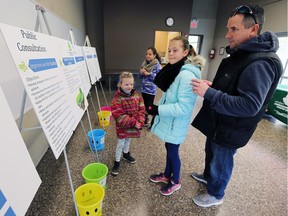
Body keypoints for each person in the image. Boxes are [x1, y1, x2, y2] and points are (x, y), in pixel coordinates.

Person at [191, 3, 283, 207]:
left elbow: (249, 104)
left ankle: (216, 194)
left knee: (221, 160)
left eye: (234, 29)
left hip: (232, 127)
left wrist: (210, 93)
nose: (227, 35)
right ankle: (208, 177)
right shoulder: (244, 53)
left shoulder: (260, 62)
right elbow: (235, 86)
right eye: (228, 28)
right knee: (212, 151)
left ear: (253, 29)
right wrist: (214, 86)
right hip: (220, 120)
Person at [147, 37, 206, 195]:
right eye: (169, 50)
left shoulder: (186, 75)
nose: (171, 54)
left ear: (185, 52)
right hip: (171, 121)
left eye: (175, 50)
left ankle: (176, 180)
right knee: (169, 147)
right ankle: (167, 175)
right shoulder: (177, 70)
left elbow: (183, 107)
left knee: (173, 151)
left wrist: (158, 110)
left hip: (176, 122)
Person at [111, 71, 146, 176]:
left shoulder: (137, 95)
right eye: (126, 84)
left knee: (128, 140)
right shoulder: (117, 99)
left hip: (133, 126)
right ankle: (117, 161)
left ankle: (126, 154)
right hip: (123, 127)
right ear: (120, 84)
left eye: (131, 84)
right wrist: (134, 122)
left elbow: (141, 109)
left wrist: (140, 121)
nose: (129, 86)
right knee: (121, 143)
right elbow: (119, 115)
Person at [139, 47, 162, 127]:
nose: (148, 56)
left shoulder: (157, 65)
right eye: (147, 54)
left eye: (150, 54)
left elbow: (159, 78)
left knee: (150, 107)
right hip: (143, 89)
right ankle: (145, 121)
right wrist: (141, 73)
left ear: (154, 55)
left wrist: (149, 74)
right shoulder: (144, 64)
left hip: (151, 90)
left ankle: (155, 119)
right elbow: (140, 76)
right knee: (145, 106)